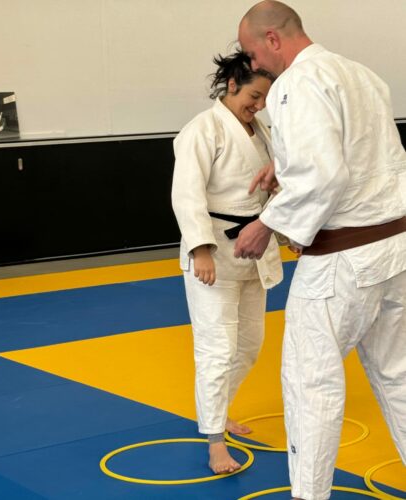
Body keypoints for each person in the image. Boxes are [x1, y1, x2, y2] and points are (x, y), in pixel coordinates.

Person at [236, 2, 406, 499]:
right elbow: (363, 152)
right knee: (398, 374)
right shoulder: (361, 74)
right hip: (396, 247)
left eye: (253, 53)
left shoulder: (297, 82)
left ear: (272, 39)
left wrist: (267, 223)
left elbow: (324, 176)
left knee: (310, 383)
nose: (254, 65)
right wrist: (285, 165)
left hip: (342, 259)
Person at [171, 50, 283, 475]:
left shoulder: (262, 130)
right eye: (254, 96)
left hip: (255, 248)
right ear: (232, 85)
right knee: (216, 349)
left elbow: (271, 188)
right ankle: (215, 441)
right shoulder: (202, 130)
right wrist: (199, 248)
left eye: (265, 99)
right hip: (215, 251)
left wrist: (287, 231)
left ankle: (219, 411)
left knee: (249, 346)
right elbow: (186, 194)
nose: (259, 106)